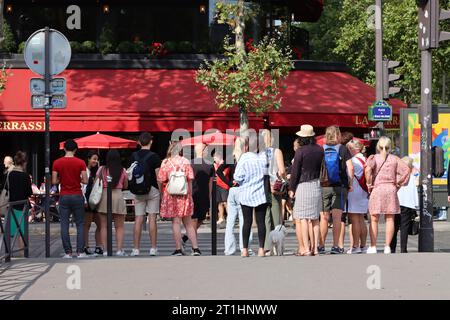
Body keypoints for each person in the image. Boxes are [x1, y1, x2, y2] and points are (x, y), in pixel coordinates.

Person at [364, 136, 410, 254]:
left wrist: (369, 183)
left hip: (378, 188)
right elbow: (406, 170)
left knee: (374, 219)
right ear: (390, 147)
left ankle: (373, 246)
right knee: (390, 219)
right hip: (391, 189)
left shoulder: (373, 158)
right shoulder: (394, 159)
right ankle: (387, 247)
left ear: (378, 147)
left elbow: (368, 170)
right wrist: (398, 183)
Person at [157, 141, 201, 256]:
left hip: (171, 195)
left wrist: (162, 195)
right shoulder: (185, 161)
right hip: (184, 194)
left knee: (176, 222)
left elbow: (161, 179)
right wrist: (190, 194)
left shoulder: (166, 162)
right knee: (188, 223)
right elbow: (190, 179)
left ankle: (178, 249)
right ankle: (195, 248)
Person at [289, 125, 324, 256]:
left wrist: (292, 188)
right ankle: (315, 248)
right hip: (316, 184)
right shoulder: (320, 150)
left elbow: (295, 171)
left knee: (303, 218)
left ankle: (305, 248)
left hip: (303, 185)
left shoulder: (300, 151)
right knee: (315, 218)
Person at [319, 125, 354, 255]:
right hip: (340, 186)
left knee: (323, 217)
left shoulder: (321, 149)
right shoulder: (343, 149)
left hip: (324, 186)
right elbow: (350, 168)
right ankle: (335, 246)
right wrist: (350, 183)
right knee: (337, 218)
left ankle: (321, 245)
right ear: (338, 135)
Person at [52, 139, 88, 258]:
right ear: (75, 150)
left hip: (64, 196)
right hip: (77, 195)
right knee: (80, 224)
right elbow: (85, 180)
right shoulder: (81, 162)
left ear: (64, 149)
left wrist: (61, 180)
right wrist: (77, 179)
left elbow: (54, 181)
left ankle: (68, 252)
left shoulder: (57, 163)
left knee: (64, 224)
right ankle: (80, 251)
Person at [234, 136, 268, 258]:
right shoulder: (264, 157)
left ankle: (244, 250)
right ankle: (261, 249)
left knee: (246, 222)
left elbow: (237, 177)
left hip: (246, 193)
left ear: (247, 146)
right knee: (261, 222)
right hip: (261, 194)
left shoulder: (244, 158)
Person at [130, 132, 162, 257]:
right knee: (152, 218)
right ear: (151, 142)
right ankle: (153, 248)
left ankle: (136, 249)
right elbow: (159, 177)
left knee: (138, 218)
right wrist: (161, 192)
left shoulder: (133, 156)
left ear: (139, 142)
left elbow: (130, 173)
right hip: (152, 189)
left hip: (137, 190)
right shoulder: (154, 157)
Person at [224, 137, 254, 256]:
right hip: (243, 189)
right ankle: (245, 247)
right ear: (245, 146)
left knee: (230, 221)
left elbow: (219, 171)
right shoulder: (246, 158)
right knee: (245, 219)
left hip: (232, 191)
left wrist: (229, 183)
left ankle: (229, 249)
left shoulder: (232, 157)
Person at [258, 129, 287, 255]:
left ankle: (266, 246)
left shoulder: (258, 153)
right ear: (272, 139)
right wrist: (284, 179)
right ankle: (278, 247)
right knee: (276, 217)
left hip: (261, 187)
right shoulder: (276, 152)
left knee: (265, 217)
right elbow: (281, 170)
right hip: (274, 187)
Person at [96, 150, 128, 256]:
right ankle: (119, 250)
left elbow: (96, 183)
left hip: (104, 196)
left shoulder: (102, 169)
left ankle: (105, 250)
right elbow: (125, 185)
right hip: (118, 196)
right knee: (119, 226)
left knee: (104, 226)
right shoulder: (122, 170)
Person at [183, 143, 214, 244]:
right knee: (195, 220)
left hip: (194, 194)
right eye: (207, 149)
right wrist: (209, 196)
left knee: (199, 219)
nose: (208, 151)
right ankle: (194, 246)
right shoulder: (209, 164)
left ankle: (187, 237)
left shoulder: (190, 163)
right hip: (199, 195)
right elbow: (210, 184)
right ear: (203, 151)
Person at [345, 139, 369, 254]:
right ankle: (363, 245)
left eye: (349, 148)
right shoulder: (365, 159)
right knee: (361, 219)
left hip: (354, 190)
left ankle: (355, 246)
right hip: (364, 191)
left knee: (354, 219)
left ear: (354, 149)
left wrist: (348, 184)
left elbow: (350, 172)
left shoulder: (353, 161)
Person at [391, 157, 419, 253]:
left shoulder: (397, 175)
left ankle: (392, 248)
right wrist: (416, 206)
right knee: (404, 227)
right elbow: (414, 192)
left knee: (394, 226)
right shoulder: (412, 177)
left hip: (396, 202)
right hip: (407, 204)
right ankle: (403, 249)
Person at [6, 151, 32, 251]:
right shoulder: (25, 176)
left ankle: (9, 251)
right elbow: (29, 192)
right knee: (22, 230)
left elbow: (8, 188)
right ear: (24, 163)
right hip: (23, 205)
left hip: (12, 204)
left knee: (11, 230)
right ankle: (22, 252)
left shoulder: (10, 174)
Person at [83, 151, 103, 256]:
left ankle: (98, 246)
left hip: (96, 200)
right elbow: (83, 187)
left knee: (100, 224)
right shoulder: (85, 171)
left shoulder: (98, 171)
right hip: (87, 200)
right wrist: (84, 201)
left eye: (97, 159)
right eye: (93, 159)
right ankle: (86, 247)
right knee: (87, 225)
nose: (95, 161)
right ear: (88, 159)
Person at [339, 132, 354, 250]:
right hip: (344, 185)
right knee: (352, 217)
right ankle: (353, 245)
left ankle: (339, 245)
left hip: (333, 184)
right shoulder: (345, 151)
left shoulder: (333, 149)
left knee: (340, 217)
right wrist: (350, 183)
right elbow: (351, 168)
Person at [214, 151, 229, 228]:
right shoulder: (216, 164)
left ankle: (230, 217)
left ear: (219, 157)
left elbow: (223, 174)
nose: (214, 159)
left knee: (225, 202)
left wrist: (216, 168)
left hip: (224, 186)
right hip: (218, 185)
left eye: (215, 158)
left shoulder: (224, 164)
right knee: (219, 202)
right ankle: (221, 218)